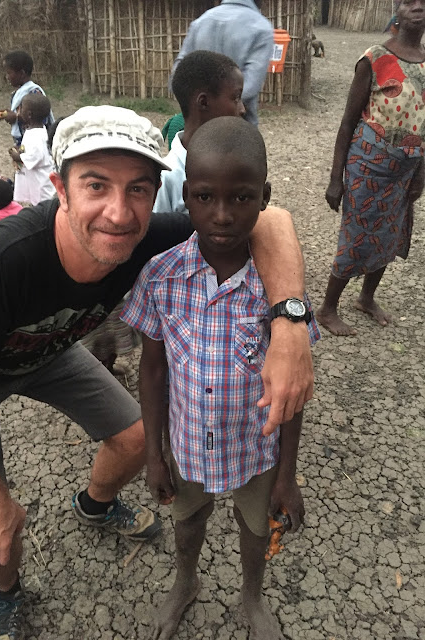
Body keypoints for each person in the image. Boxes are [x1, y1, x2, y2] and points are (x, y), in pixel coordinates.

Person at [0, 105, 313, 638]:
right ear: (59, 189)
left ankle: (94, 505)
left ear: (157, 194)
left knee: (138, 437)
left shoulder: (160, 235)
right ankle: (5, 594)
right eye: (96, 185)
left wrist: (290, 323)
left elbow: (272, 219)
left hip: (48, 352)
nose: (118, 213)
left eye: (137, 188)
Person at [122, 117, 319, 640]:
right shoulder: (161, 276)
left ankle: (251, 594)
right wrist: (154, 454)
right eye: (206, 197)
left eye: (242, 197)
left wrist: (287, 473)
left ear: (264, 198)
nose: (224, 214)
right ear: (186, 197)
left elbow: (292, 391)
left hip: (256, 450)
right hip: (187, 446)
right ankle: (185, 581)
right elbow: (152, 369)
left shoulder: (280, 293)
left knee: (255, 527)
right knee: (187, 521)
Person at [317, 0, 425, 336]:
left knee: (391, 234)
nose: (417, 7)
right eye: (409, 2)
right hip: (368, 167)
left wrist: (421, 174)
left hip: (406, 169)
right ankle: (328, 308)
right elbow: (347, 123)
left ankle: (366, 298)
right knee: (357, 236)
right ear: (397, 11)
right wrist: (336, 179)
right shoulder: (374, 58)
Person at [154, 50, 245, 214]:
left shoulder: (237, 164)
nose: (242, 109)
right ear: (203, 102)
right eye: (236, 98)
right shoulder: (167, 179)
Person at [171, 0, 273, 127]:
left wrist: (201, 105)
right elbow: (251, 84)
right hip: (238, 125)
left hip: (197, 123)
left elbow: (178, 72)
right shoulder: (261, 28)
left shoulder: (201, 22)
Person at [0, 50, 54, 146]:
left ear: (22, 73)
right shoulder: (17, 93)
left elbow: (41, 119)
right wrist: (6, 114)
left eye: (9, 73)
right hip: (23, 142)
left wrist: (15, 117)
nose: (7, 77)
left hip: (36, 143)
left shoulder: (34, 93)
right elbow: (20, 112)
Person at [9, 93, 56, 205]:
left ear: (29, 114)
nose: (19, 111)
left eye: (21, 108)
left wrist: (18, 156)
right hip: (36, 179)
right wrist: (21, 149)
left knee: (43, 206)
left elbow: (36, 156)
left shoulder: (36, 135)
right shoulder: (33, 130)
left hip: (41, 182)